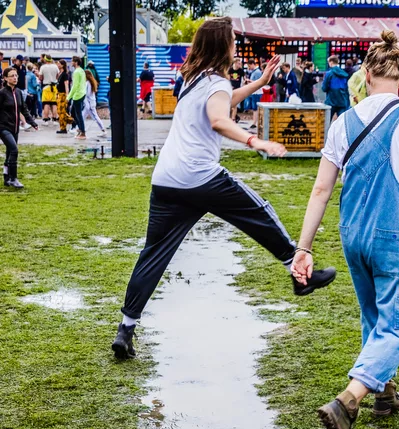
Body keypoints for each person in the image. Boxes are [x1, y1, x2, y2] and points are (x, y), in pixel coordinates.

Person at [111, 17, 337, 361]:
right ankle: (298, 272)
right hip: (200, 177)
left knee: (153, 253)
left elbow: (222, 100)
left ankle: (125, 329)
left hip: (167, 180)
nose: (236, 45)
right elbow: (218, 117)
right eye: (232, 40)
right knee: (258, 212)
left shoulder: (192, 78)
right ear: (222, 46)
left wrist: (259, 83)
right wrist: (255, 140)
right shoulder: (214, 81)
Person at [291, 30, 399, 429]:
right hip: (395, 235)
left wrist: (303, 248)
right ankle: (349, 400)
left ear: (365, 74)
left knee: (374, 315)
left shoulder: (343, 122)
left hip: (354, 235)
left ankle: (385, 392)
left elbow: (320, 191)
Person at [0, 67, 39, 188]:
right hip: (3, 127)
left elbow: (24, 110)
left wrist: (32, 122)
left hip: (15, 128)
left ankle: (6, 178)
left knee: (9, 152)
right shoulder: (1, 93)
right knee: (14, 150)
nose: (15, 78)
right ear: (5, 78)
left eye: (16, 75)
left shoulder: (18, 92)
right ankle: (13, 178)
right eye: (12, 76)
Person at [322, 55, 349, 120]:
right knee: (342, 123)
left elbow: (324, 88)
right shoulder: (344, 74)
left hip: (331, 101)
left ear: (331, 62)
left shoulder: (329, 74)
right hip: (342, 101)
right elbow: (346, 89)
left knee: (327, 122)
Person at [66, 59, 87, 139]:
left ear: (76, 62)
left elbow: (74, 86)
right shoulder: (82, 71)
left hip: (77, 95)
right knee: (74, 113)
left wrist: (68, 97)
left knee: (78, 114)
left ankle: (82, 132)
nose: (71, 63)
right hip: (81, 93)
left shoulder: (77, 72)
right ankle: (80, 129)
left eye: (72, 61)